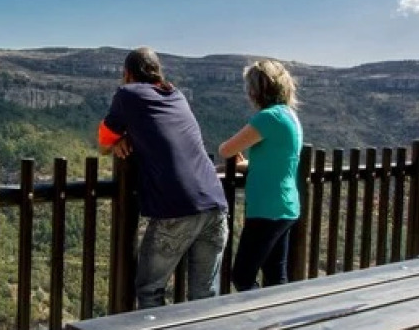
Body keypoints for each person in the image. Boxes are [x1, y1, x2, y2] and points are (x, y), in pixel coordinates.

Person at [98, 47, 229, 309]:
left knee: (149, 289)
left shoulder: (128, 94)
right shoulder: (177, 95)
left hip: (177, 208)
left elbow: (103, 141)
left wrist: (117, 141)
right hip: (216, 204)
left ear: (126, 74)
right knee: (204, 296)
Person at [218, 59, 302, 291]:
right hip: (286, 206)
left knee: (242, 276)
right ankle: (277, 321)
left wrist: (236, 159)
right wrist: (248, 164)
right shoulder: (289, 116)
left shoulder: (268, 118)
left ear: (257, 89)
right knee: (276, 277)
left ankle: (259, 320)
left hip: (267, 209)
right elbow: (275, 161)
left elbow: (226, 150)